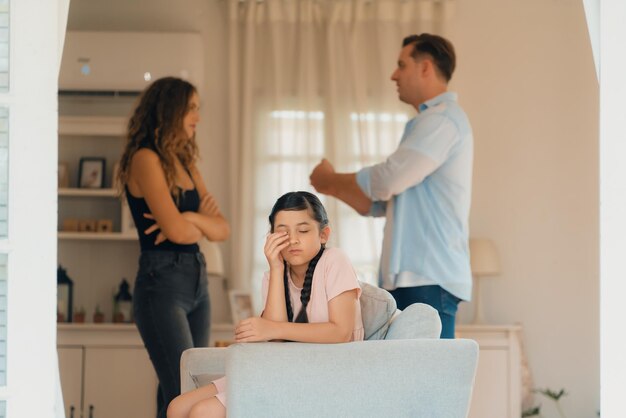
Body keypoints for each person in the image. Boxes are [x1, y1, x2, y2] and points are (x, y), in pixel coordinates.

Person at [309, 33, 473, 339]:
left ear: (425, 67)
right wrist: (330, 187)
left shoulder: (442, 121)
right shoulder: (427, 124)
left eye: (401, 65)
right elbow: (378, 203)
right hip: (415, 279)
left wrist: (330, 180)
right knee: (408, 381)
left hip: (428, 278)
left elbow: (387, 181)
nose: (393, 75)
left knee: (426, 381)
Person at [167, 191, 364, 418]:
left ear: (323, 234)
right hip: (280, 367)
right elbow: (276, 341)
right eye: (282, 232)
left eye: (303, 230)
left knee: (204, 412)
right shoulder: (274, 274)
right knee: (177, 408)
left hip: (324, 372)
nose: (293, 240)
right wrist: (276, 268)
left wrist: (271, 328)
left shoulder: (335, 261)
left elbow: (340, 331)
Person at [117, 76, 230, 418]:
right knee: (186, 389)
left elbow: (222, 229)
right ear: (171, 110)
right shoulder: (145, 159)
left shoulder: (184, 162)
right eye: (191, 108)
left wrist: (189, 220)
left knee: (178, 385)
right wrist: (195, 222)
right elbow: (177, 232)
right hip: (161, 284)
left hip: (197, 280)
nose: (198, 116)